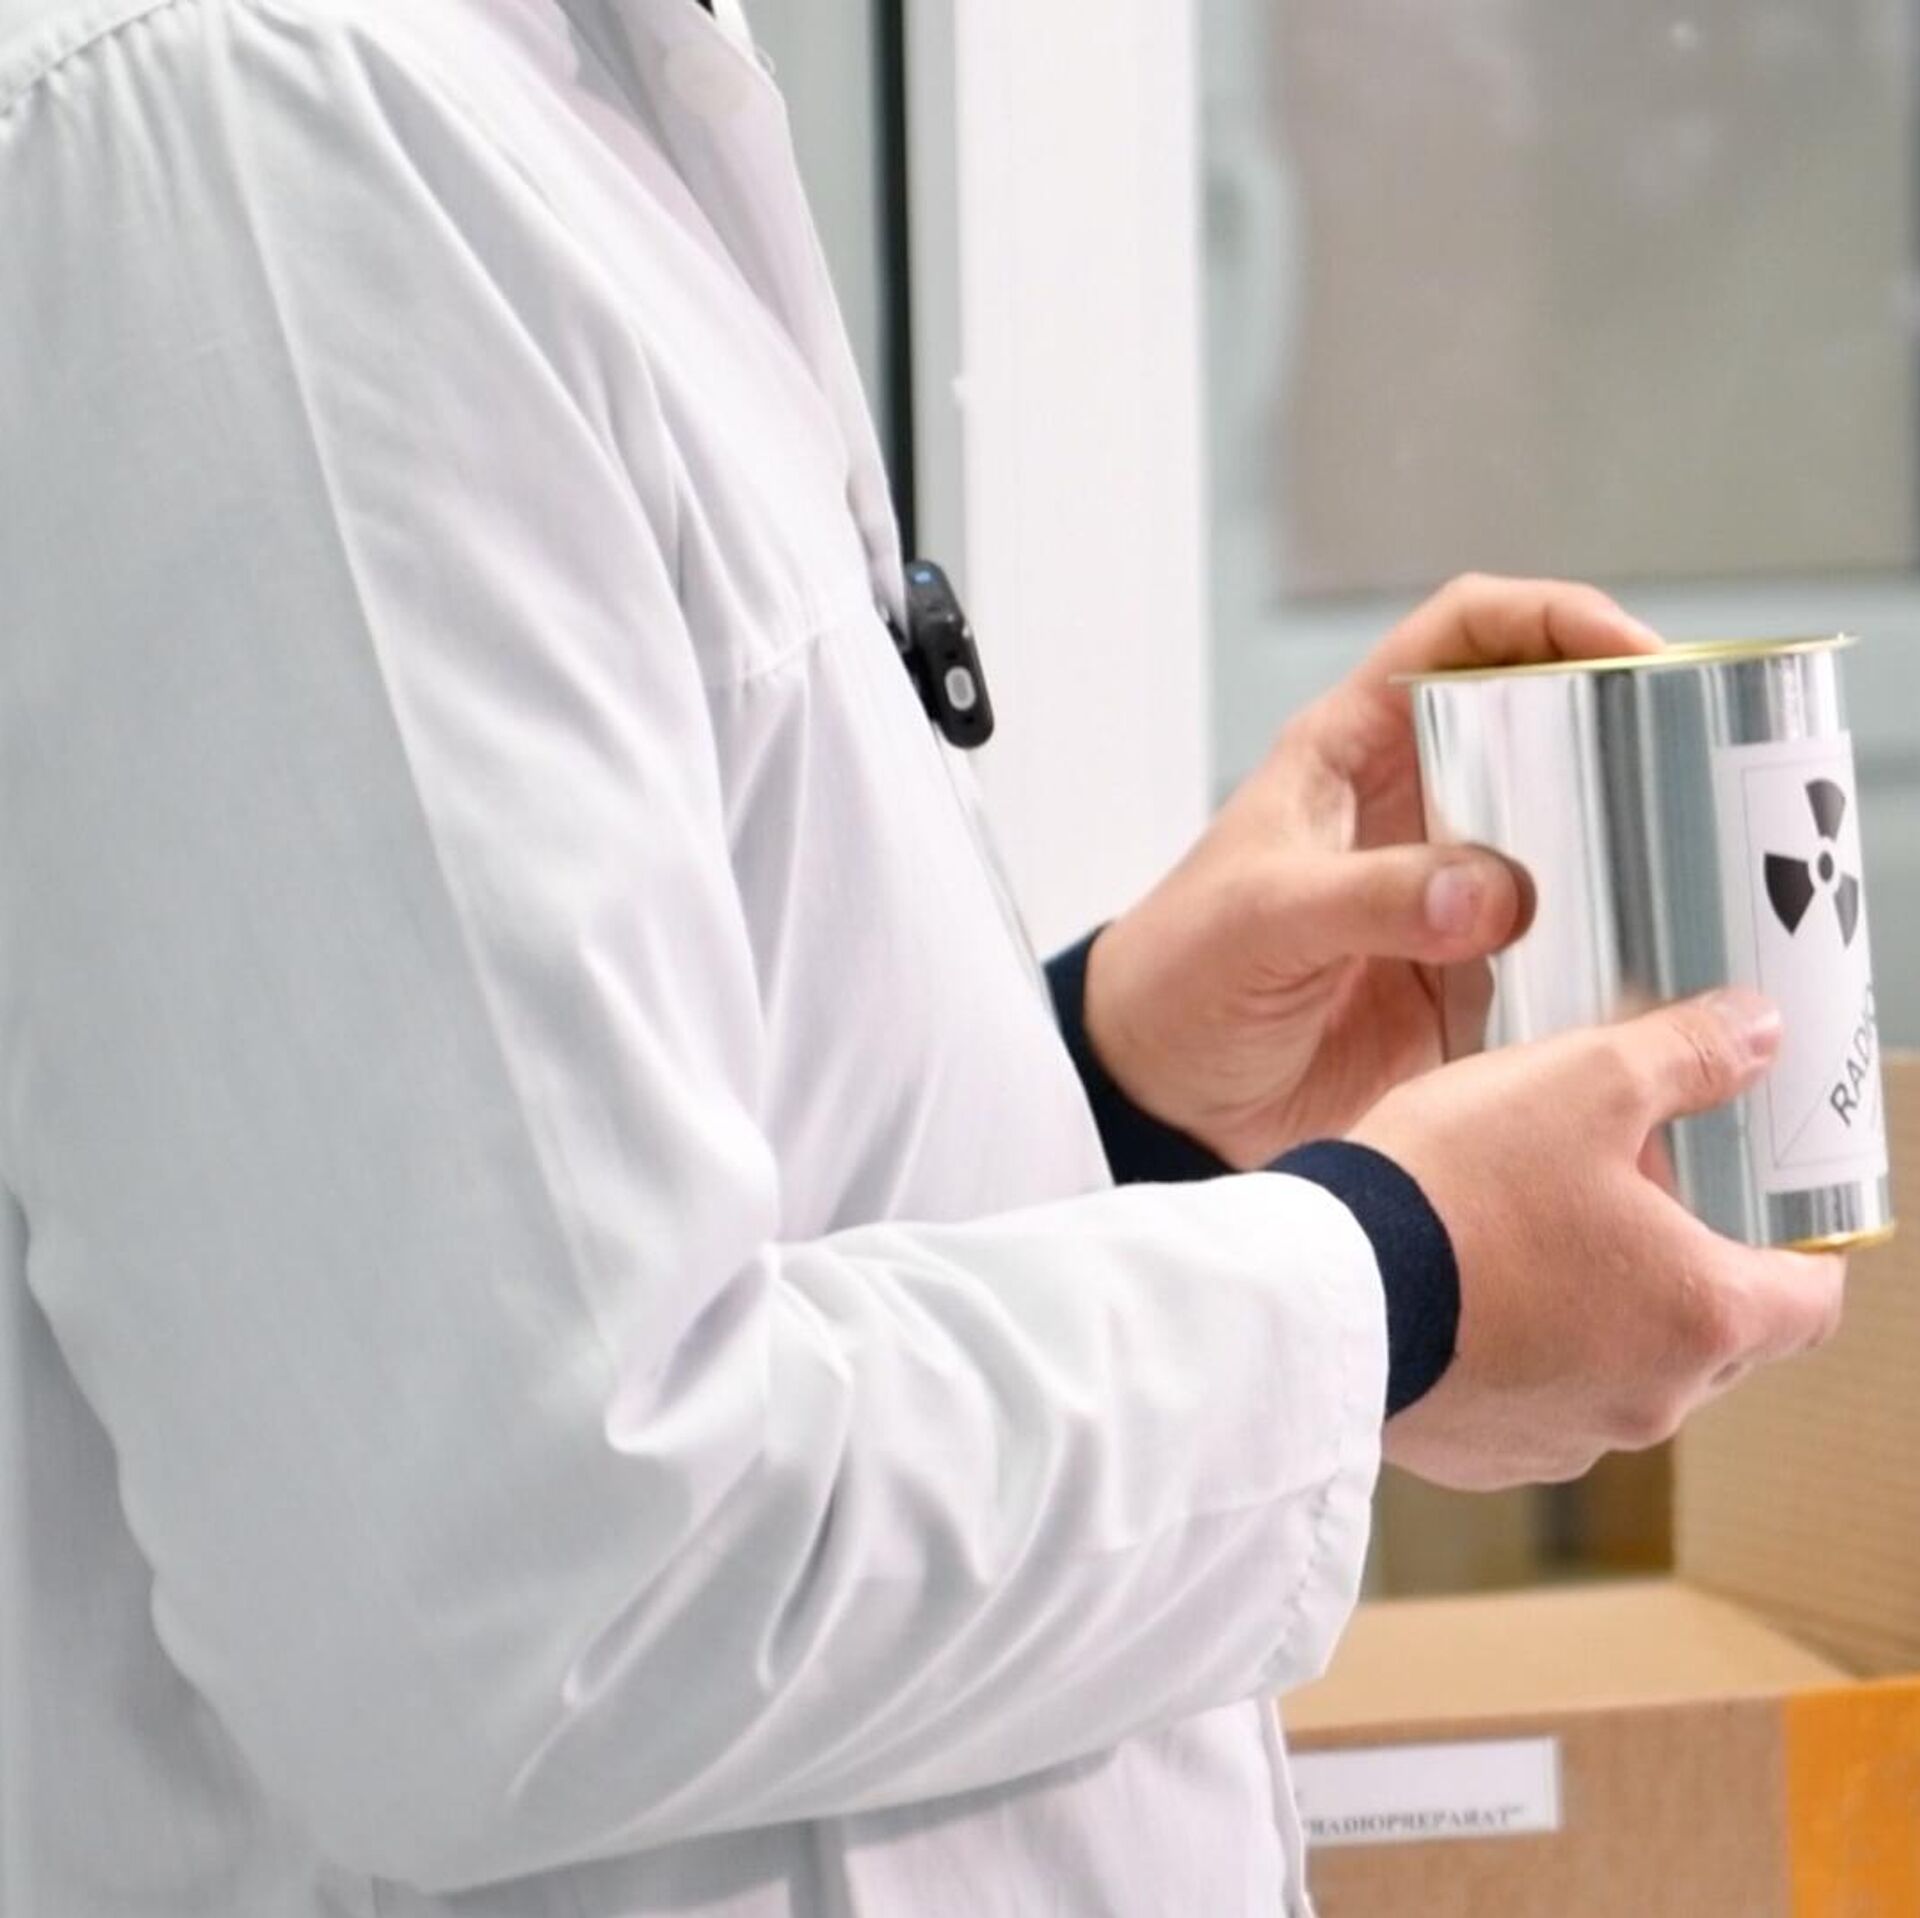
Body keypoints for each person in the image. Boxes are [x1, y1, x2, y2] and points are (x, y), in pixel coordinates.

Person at [0, 2, 1844, 1914]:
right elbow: (530, 1584)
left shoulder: (586, 98)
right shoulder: (261, 124)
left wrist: (1113, 1091)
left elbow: (603, 1213)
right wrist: (1394, 1277)